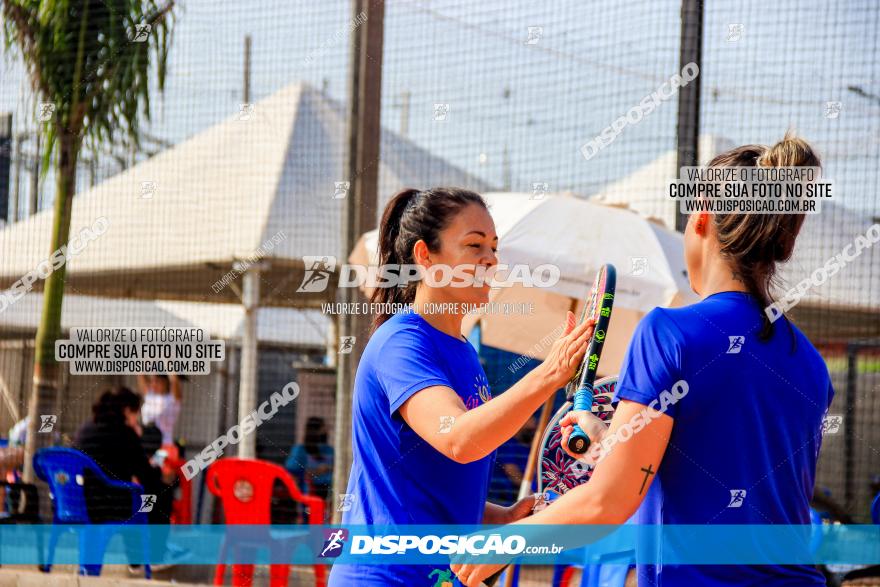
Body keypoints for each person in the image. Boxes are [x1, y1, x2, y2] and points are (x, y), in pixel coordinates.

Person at [453, 135, 834, 586]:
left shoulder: (668, 333)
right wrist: (607, 437)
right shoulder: (811, 365)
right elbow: (725, 461)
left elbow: (608, 502)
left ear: (703, 220)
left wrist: (508, 541)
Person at [328, 187, 596, 586]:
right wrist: (548, 375)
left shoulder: (464, 352)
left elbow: (431, 480)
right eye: (474, 245)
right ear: (425, 256)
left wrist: (499, 516)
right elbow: (458, 439)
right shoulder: (401, 343)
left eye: (493, 246)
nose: (490, 259)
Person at [74, 386, 177, 572]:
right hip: (112, 506)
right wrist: (162, 475)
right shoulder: (124, 433)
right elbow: (147, 476)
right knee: (160, 493)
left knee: (135, 495)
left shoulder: (85, 430)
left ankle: (136, 558)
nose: (136, 419)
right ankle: (152, 556)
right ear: (127, 411)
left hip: (81, 503)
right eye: (135, 414)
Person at [285, 417, 334, 499]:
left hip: (331, 491)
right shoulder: (300, 450)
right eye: (323, 428)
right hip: (310, 491)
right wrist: (316, 471)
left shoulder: (330, 450)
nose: (326, 431)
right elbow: (291, 472)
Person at [137, 373, 182, 456]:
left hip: (164, 446)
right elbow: (141, 374)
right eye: (152, 381)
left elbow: (175, 380)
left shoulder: (172, 400)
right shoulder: (150, 396)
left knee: (157, 467)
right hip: (147, 444)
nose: (153, 384)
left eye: (157, 381)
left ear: (166, 382)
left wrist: (167, 361)